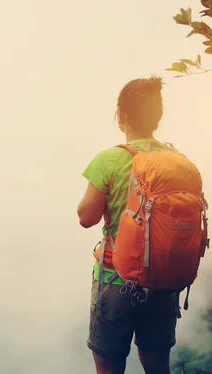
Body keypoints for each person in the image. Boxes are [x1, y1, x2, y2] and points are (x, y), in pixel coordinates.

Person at [77, 76, 180, 374]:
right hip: (162, 279)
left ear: (121, 116)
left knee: (109, 367)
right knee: (158, 366)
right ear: (157, 118)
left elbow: (86, 218)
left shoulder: (109, 159)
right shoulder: (175, 160)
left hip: (115, 276)